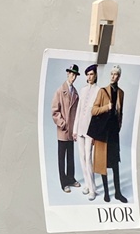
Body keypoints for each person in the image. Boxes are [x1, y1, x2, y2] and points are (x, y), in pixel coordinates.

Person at [88, 65, 127, 203]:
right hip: (103, 133)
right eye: (111, 73)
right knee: (103, 163)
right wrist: (107, 107)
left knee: (115, 164)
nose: (112, 76)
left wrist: (118, 127)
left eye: (115, 74)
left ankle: (118, 193)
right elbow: (93, 110)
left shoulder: (121, 93)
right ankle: (106, 193)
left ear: (119, 77)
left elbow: (120, 113)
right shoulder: (103, 91)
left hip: (113, 133)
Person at [51, 63, 80, 193]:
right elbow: (54, 111)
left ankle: (71, 178)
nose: (73, 77)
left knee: (71, 157)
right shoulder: (60, 91)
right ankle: (64, 183)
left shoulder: (75, 93)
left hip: (72, 132)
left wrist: (76, 129)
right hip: (63, 131)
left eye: (75, 75)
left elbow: (77, 113)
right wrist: (62, 123)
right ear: (68, 74)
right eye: (72, 74)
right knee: (62, 158)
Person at [73, 64, 100, 200]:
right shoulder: (83, 90)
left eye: (91, 74)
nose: (89, 77)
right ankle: (87, 185)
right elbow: (78, 111)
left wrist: (95, 134)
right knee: (82, 158)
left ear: (95, 75)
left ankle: (92, 189)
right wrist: (75, 130)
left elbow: (98, 116)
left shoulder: (99, 91)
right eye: (88, 75)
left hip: (90, 130)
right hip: (80, 129)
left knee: (89, 159)